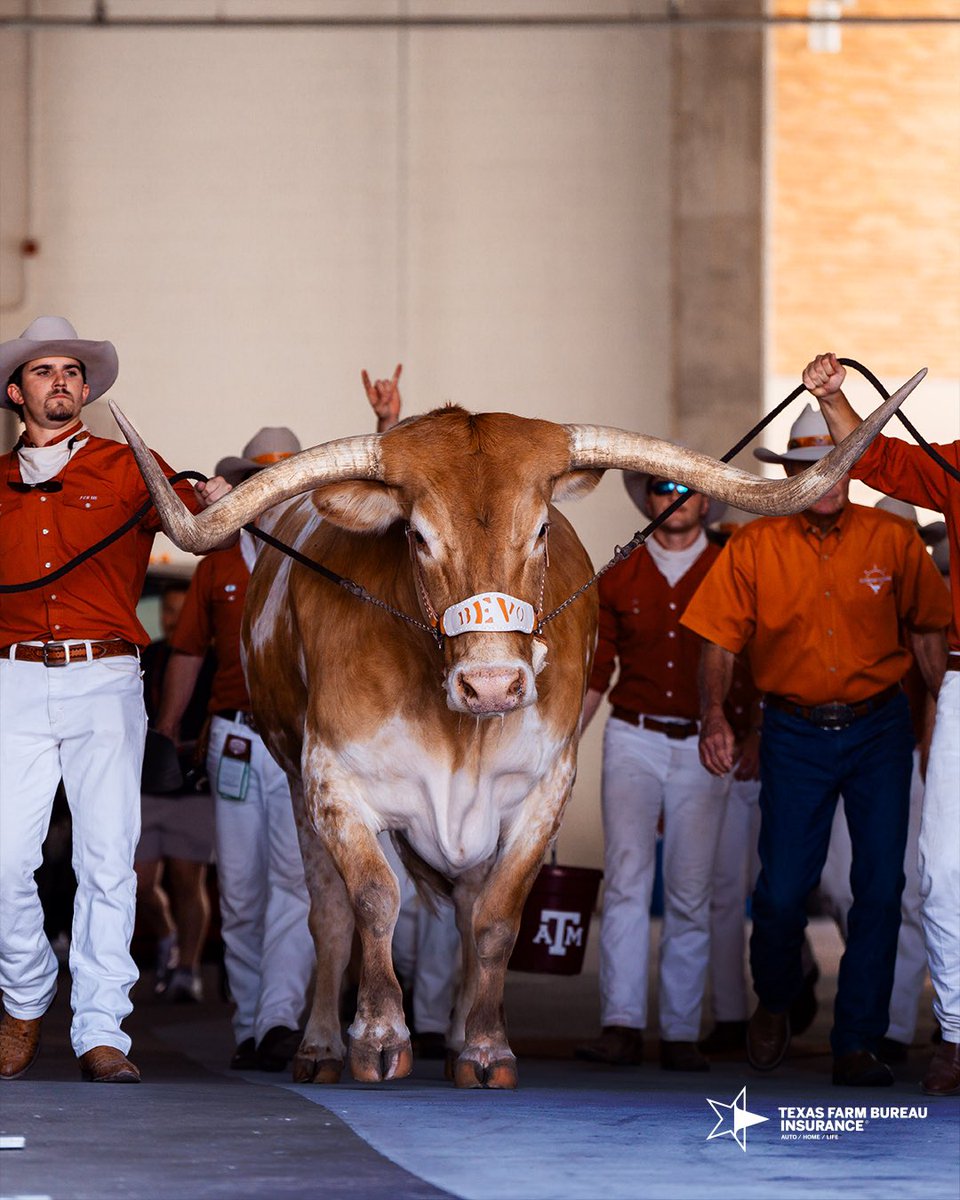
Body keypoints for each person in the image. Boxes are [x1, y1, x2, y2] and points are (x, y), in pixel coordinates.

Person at [683, 401, 950, 1087]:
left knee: (880, 890)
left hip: (880, 730)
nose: (825, 477)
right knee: (780, 892)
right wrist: (714, 716)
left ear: (854, 470)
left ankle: (856, 1041)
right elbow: (718, 640)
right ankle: (776, 996)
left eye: (836, 463)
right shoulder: (753, 545)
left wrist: (944, 725)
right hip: (794, 732)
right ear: (789, 474)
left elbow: (928, 629)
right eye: (810, 466)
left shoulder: (894, 539)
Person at [0, 316, 229, 1083]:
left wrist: (218, 497)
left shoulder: (129, 466)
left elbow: (200, 528)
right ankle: (25, 991)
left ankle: (101, 1030)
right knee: (4, 859)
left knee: (106, 858)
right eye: (43, 370)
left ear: (85, 387)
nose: (61, 381)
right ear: (16, 392)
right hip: (12, 676)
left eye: (71, 370)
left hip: (104, 678)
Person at [808, 351, 960, 1096]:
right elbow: (880, 461)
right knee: (942, 868)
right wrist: (834, 400)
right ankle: (957, 1035)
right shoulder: (959, 464)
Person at [153, 427, 315, 1073]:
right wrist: (167, 732)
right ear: (244, 488)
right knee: (242, 890)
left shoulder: (316, 557)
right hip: (235, 739)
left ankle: (278, 1020)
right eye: (258, 481)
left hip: (299, 739)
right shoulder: (216, 565)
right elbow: (188, 652)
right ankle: (249, 1024)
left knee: (295, 883)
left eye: (282, 481)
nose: (270, 492)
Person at [575, 471, 729, 1072]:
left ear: (706, 500)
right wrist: (563, 748)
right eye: (663, 489)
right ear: (647, 499)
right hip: (633, 735)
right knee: (626, 880)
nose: (674, 498)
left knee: (690, 889)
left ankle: (681, 1033)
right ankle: (621, 1025)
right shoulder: (620, 572)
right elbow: (597, 670)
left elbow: (752, 657)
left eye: (686, 489)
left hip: (701, 743)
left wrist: (748, 732)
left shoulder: (730, 565)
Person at [135, 578, 216, 1004]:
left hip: (192, 784)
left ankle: (188, 969)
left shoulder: (214, 659)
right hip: (146, 783)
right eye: (167, 610)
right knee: (137, 883)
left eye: (182, 611)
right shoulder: (146, 656)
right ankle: (167, 936)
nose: (173, 618)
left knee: (188, 881)